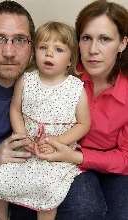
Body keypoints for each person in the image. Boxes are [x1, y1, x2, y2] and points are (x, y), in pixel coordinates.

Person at [27, 1, 128, 220]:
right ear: (77, 42)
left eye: (105, 39)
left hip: (111, 166)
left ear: (122, 43)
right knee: (83, 209)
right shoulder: (64, 73)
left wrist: (76, 156)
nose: (93, 50)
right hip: (66, 160)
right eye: (86, 38)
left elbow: (125, 157)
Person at [0, 21, 90, 220]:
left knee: (48, 192)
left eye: (58, 49)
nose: (49, 54)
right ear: (34, 52)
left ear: (70, 59)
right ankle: (2, 218)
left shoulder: (76, 88)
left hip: (57, 153)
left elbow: (84, 124)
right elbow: (15, 110)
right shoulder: (26, 80)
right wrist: (23, 137)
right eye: (43, 48)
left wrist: (57, 142)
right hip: (26, 148)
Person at [0, 1, 35, 219]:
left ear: (31, 45)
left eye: (20, 40)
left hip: (23, 174)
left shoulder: (44, 80)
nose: (9, 52)